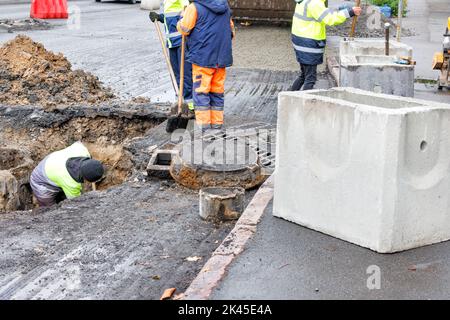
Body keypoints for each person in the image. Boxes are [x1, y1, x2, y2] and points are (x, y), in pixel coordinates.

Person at [177, 0, 235, 132]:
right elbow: (231, 31)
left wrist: (182, 17)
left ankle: (204, 127)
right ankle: (217, 125)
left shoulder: (194, 8)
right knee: (217, 91)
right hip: (221, 59)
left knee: (201, 92)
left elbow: (185, 29)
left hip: (202, 58)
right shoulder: (225, 6)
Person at [291, 0, 362, 91]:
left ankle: (289, 98)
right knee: (310, 78)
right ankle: (305, 103)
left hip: (300, 41)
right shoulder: (315, 3)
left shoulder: (305, 1)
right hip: (308, 44)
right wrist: (349, 12)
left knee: (304, 75)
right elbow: (330, 19)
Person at [150, 0, 194, 115]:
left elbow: (187, 13)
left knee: (185, 74)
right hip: (171, 42)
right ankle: (179, 102)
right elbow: (171, 17)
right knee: (176, 74)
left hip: (182, 41)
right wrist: (160, 17)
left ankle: (190, 105)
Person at [30, 142, 104, 207]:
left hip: (51, 161)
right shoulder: (72, 184)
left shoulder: (82, 150)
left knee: (62, 195)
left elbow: (78, 143)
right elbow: (75, 202)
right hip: (40, 183)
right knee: (49, 210)